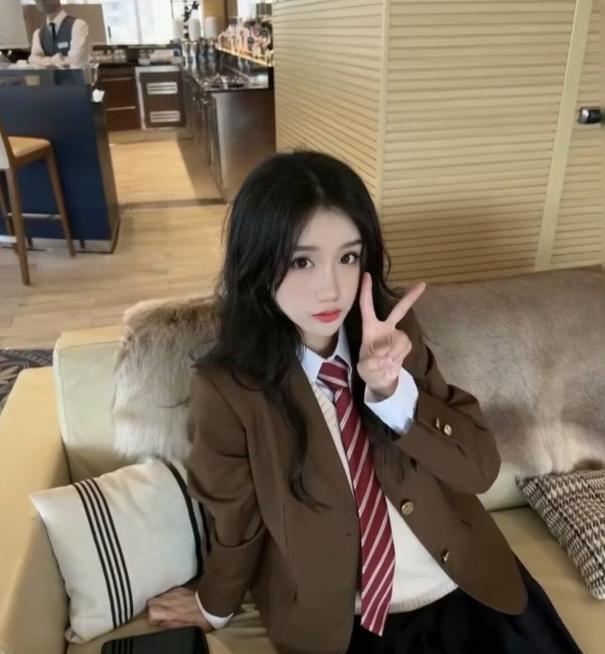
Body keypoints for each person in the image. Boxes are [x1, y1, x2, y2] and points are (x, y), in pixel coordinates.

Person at [147, 151, 582, 654]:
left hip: (464, 585)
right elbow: (236, 521)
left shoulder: (393, 336)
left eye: (348, 258)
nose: (330, 288)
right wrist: (214, 605)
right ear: (257, 263)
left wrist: (394, 394)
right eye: (301, 261)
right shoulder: (227, 390)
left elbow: (479, 470)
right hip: (346, 624)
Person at [26, 0, 91, 68]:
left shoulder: (78, 25)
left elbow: (76, 62)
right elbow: (33, 60)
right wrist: (59, 59)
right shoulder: (38, 34)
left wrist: (44, 61)